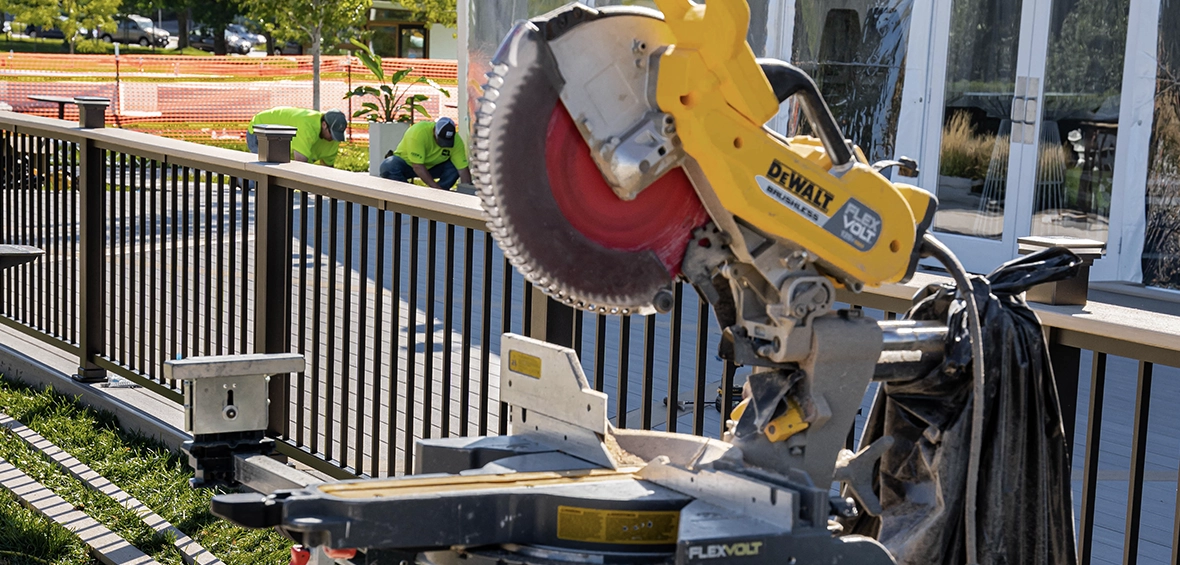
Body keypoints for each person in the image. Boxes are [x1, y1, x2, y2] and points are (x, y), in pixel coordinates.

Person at [379, 117, 473, 190]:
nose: (444, 145)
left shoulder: (457, 141)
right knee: (388, 165)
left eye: (448, 142)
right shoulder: (418, 132)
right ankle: (404, 192)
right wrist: (435, 188)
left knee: (455, 166)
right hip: (408, 165)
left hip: (433, 168)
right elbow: (417, 166)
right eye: (441, 140)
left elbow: (462, 169)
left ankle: (441, 194)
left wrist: (467, 191)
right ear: (434, 132)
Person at [247, 107, 347, 167]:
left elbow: (327, 170)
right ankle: (240, 180)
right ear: (324, 125)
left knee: (278, 175)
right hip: (261, 129)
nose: (334, 139)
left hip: (281, 139)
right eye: (332, 134)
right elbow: (300, 165)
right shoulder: (307, 127)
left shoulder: (334, 139)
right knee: (266, 175)